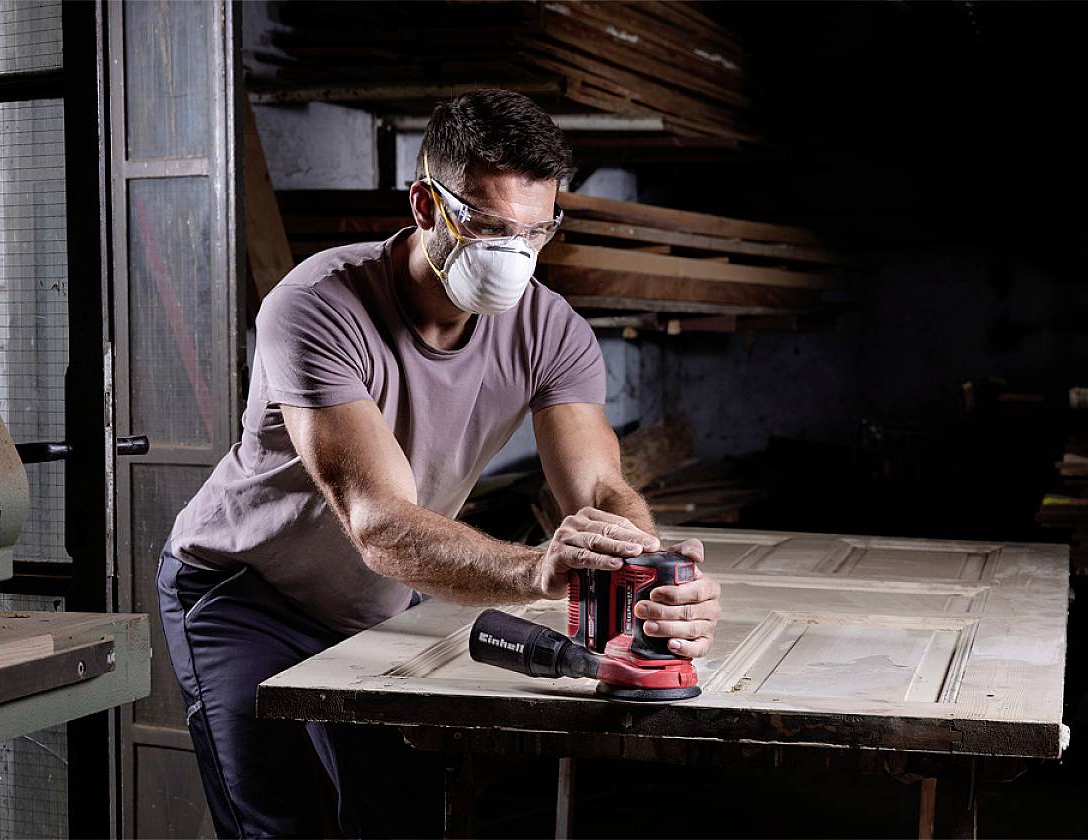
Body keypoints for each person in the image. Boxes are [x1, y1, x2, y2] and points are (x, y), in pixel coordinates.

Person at [157, 88, 722, 838]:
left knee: (404, 815)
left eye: (534, 233)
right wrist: (531, 572)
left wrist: (653, 579)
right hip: (246, 591)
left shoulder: (552, 331)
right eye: (488, 227)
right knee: (284, 822)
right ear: (427, 204)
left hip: (380, 601)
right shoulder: (316, 308)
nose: (512, 257)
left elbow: (599, 487)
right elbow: (378, 522)